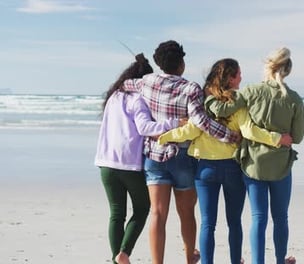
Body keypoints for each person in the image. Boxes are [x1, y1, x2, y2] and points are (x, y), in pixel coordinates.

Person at [155, 58, 293, 264]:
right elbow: (250, 131)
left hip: (205, 170)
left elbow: (191, 130)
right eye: (238, 74)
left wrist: (165, 137)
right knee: (234, 222)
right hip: (233, 169)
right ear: (229, 78)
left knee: (207, 224)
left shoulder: (203, 103)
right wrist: (278, 139)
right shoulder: (237, 104)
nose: (241, 78)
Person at [121, 40, 240, 264]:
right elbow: (201, 121)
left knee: (157, 214)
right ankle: (188, 259)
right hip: (182, 157)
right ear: (181, 63)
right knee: (186, 213)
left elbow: (125, 85)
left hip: (154, 156)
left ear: (159, 63)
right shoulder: (190, 88)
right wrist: (230, 135)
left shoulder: (147, 82)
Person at [208, 48, 304, 264]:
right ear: (287, 70)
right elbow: (297, 136)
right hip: (281, 166)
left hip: (253, 165)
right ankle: (280, 261)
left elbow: (221, 110)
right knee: (281, 218)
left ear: (268, 68)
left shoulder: (251, 92)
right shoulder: (294, 99)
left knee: (258, 218)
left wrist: (208, 100)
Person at [95, 53, 183, 264]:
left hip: (105, 163)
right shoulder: (138, 100)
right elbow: (145, 128)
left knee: (116, 213)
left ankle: (117, 258)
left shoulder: (113, 97)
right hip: (129, 165)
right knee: (142, 209)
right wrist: (175, 123)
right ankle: (124, 252)